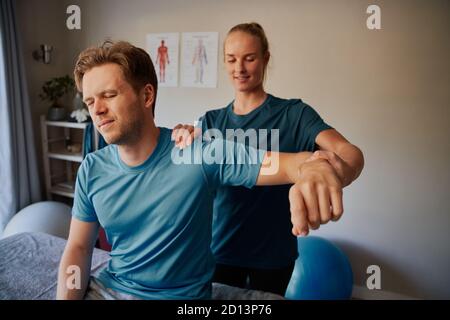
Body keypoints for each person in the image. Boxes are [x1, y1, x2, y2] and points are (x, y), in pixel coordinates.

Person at [56, 40, 344, 300]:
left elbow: (291, 164)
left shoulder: (199, 152)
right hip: (109, 289)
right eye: (90, 101)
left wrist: (312, 167)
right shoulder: (92, 169)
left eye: (108, 95)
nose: (97, 110)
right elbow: (79, 248)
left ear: (146, 96)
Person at [172, 22, 365, 295]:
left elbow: (350, 153)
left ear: (265, 58)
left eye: (249, 58)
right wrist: (184, 141)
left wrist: (332, 173)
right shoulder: (211, 121)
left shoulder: (294, 114)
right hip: (220, 252)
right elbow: (192, 181)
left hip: (274, 257)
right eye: (231, 59)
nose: (239, 68)